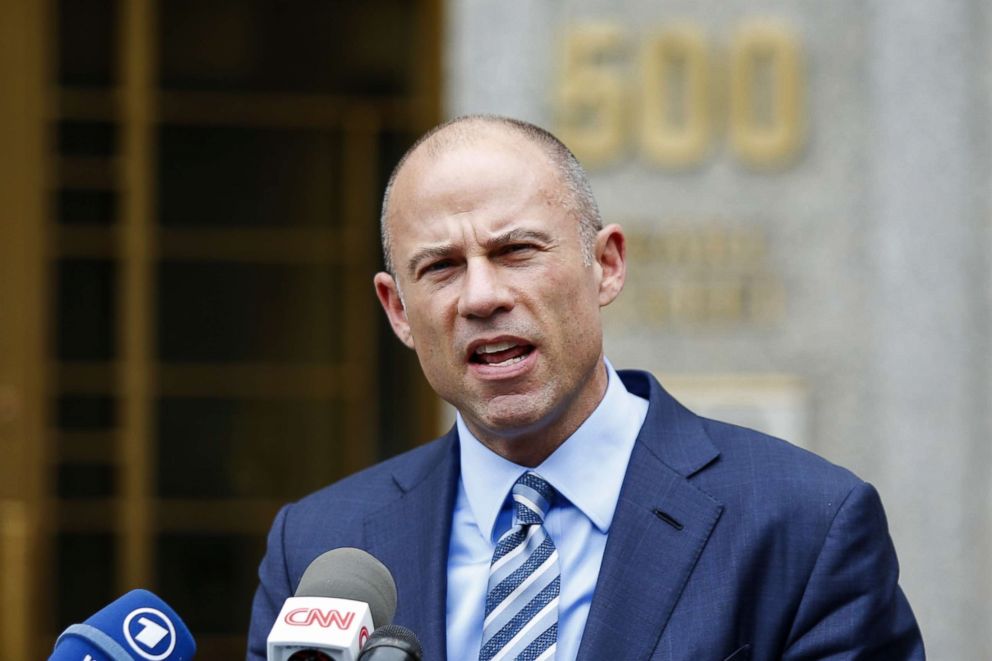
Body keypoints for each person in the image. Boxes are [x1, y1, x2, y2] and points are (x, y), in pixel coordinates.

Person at [247, 115, 924, 660]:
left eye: (516, 251)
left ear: (605, 265)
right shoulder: (318, 547)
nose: (482, 295)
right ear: (398, 310)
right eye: (442, 267)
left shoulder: (803, 524)